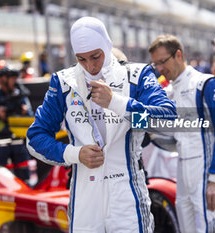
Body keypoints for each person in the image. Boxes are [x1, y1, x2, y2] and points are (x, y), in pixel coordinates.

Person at [26, 17, 176, 233]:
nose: (91, 65)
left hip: (127, 193)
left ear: (107, 45)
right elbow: (36, 138)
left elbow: (167, 120)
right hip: (85, 195)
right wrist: (73, 154)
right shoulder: (64, 81)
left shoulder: (136, 75)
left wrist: (117, 103)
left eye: (95, 56)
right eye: (82, 59)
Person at [149, 34, 215, 233]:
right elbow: (169, 135)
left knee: (209, 228)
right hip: (183, 170)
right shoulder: (168, 91)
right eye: (155, 64)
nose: (160, 68)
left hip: (206, 174)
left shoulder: (206, 84)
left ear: (178, 55)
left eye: (162, 61)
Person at [0, 67, 33, 182]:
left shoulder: (20, 96)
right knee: (0, 178)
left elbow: (31, 115)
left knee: (24, 175)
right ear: (3, 79)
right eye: (12, 78)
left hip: (18, 141)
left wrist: (25, 111)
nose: (15, 81)